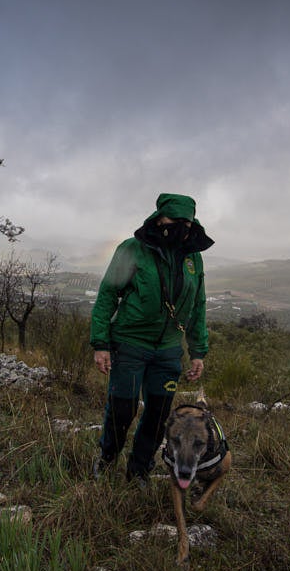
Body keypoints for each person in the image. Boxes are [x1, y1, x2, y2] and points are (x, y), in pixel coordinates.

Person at [90, 193, 214, 486]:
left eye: (187, 222)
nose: (182, 227)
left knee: (158, 415)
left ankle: (139, 469)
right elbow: (108, 294)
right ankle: (107, 459)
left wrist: (198, 352)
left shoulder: (192, 258)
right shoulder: (133, 249)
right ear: (159, 219)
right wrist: (101, 343)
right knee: (122, 409)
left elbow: (198, 305)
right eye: (175, 221)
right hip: (130, 343)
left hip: (169, 351)